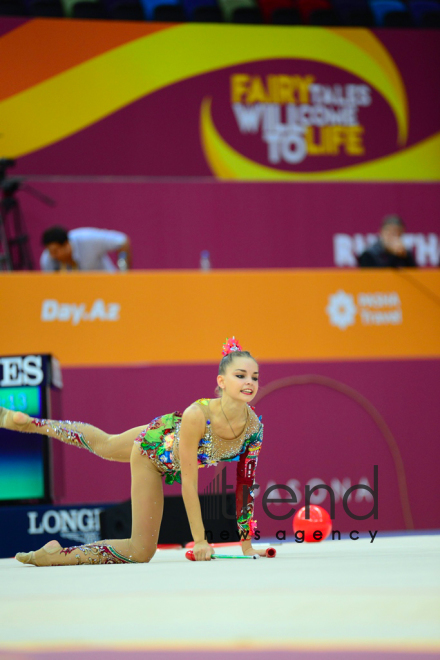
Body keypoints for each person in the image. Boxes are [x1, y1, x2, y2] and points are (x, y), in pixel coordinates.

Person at [0, 338, 265, 565]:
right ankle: (59, 555)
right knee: (140, 551)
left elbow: (245, 485)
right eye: (240, 375)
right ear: (222, 380)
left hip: (164, 430)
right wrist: (199, 541)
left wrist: (247, 545)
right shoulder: (198, 414)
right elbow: (189, 482)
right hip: (152, 455)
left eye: (254, 377)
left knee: (105, 443)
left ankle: (31, 422)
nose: (249, 382)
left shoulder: (254, 427)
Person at [40, 226, 132, 272]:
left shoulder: (88, 240)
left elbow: (122, 242)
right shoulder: (48, 260)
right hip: (76, 301)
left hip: (107, 287)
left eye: (56, 251)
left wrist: (123, 271)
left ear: (67, 245)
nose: (53, 256)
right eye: (50, 252)